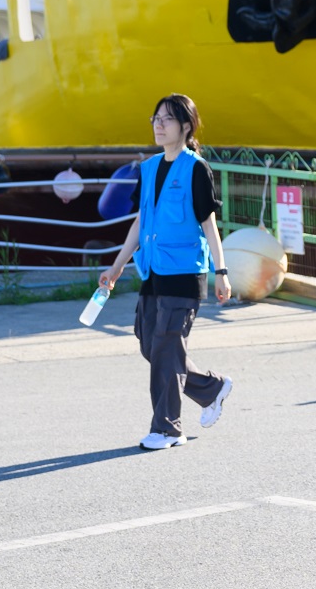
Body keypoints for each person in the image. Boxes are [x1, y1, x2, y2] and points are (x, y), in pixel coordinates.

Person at [97, 94, 233, 451]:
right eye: (156, 118)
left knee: (166, 348)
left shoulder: (196, 168)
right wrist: (116, 265)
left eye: (168, 119)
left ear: (186, 127)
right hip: (153, 273)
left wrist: (222, 271)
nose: (159, 125)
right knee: (150, 343)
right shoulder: (149, 167)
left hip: (185, 273)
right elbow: (141, 221)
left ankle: (168, 429)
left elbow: (209, 223)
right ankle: (211, 387)